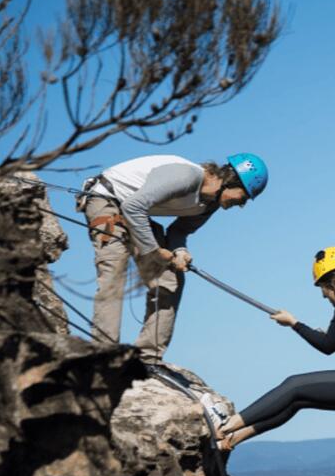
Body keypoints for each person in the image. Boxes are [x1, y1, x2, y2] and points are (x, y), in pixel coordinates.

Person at [80, 153, 268, 361]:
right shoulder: (187, 176)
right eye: (243, 197)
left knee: (170, 280)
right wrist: (153, 251)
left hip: (135, 212)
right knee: (114, 275)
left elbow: (179, 231)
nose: (241, 204)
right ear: (231, 181)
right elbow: (133, 206)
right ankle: (103, 354)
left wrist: (180, 252)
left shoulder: (209, 204)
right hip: (107, 200)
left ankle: (147, 357)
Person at [216, 246, 335, 450]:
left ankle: (224, 426)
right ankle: (231, 440)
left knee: (294, 385)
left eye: (322, 287)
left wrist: (294, 324)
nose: (324, 295)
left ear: (333, 281)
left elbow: (327, 346)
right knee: (299, 401)